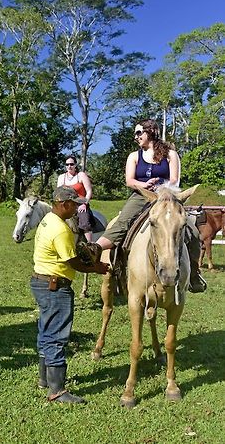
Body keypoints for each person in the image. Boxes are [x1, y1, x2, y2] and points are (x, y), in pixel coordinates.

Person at [95, 118, 206, 293]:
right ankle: (96, 251)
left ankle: (194, 274)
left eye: (139, 132)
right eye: (135, 134)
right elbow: (129, 180)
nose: (136, 137)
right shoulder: (134, 156)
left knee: (192, 232)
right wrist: (144, 186)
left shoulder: (170, 154)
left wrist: (161, 187)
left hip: (168, 196)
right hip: (142, 196)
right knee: (122, 222)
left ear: (151, 132)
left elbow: (175, 179)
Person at [30, 186, 109, 404]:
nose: (76, 209)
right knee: (56, 335)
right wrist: (96, 268)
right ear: (63, 203)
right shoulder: (61, 230)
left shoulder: (47, 219)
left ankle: (44, 379)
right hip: (55, 286)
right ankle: (57, 391)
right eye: (74, 204)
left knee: (46, 330)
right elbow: (72, 262)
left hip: (40, 281)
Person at [57, 156, 95, 241]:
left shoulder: (81, 175)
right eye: (67, 164)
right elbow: (58, 193)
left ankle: (90, 245)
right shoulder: (61, 177)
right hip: (67, 205)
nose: (69, 166)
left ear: (75, 165)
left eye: (71, 164)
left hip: (80, 204)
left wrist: (85, 204)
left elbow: (89, 191)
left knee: (85, 223)